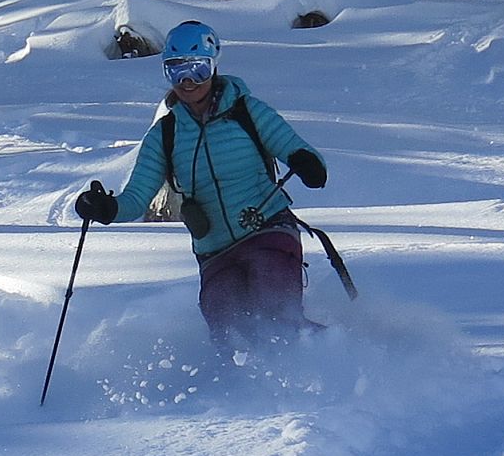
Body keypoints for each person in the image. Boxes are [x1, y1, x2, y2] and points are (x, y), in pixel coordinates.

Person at [74, 20, 327, 346]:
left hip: (268, 230)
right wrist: (106, 208)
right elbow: (136, 198)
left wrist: (307, 164)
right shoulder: (165, 135)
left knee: (276, 312)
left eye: (197, 68)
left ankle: (335, 355)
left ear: (213, 66)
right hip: (215, 252)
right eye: (176, 70)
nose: (188, 80)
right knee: (228, 331)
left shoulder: (247, 112)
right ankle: (241, 380)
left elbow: (297, 149)